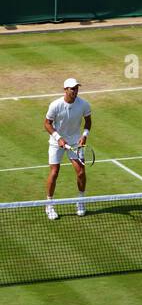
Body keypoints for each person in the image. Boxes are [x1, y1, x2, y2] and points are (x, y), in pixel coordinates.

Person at [43, 77, 92, 220]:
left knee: (81, 172)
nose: (75, 91)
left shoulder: (83, 104)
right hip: (56, 141)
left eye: (77, 88)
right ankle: (49, 204)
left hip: (75, 141)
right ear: (65, 90)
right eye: (72, 88)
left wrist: (84, 135)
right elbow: (47, 123)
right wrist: (58, 138)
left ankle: (80, 201)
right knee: (54, 172)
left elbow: (88, 121)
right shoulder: (55, 105)